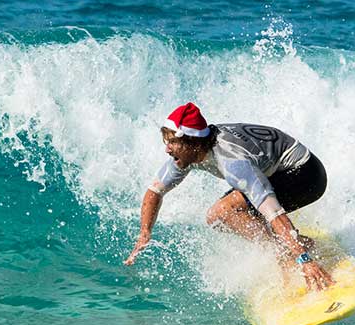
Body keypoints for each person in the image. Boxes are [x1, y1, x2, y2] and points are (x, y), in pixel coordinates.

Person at [123, 102, 334, 291]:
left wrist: (305, 260)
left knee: (226, 210)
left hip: (305, 176)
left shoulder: (233, 163)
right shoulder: (187, 153)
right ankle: (290, 249)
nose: (167, 150)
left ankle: (297, 256)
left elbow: (274, 213)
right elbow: (155, 192)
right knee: (216, 216)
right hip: (274, 170)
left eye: (172, 143)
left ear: (192, 143)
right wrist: (144, 233)